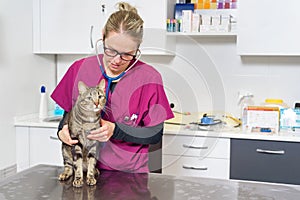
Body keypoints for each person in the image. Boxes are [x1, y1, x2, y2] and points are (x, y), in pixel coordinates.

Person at [51, 2, 174, 173]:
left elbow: (154, 134)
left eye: (127, 54)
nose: (117, 60)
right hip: (86, 170)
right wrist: (61, 132)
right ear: (102, 36)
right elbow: (67, 117)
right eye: (111, 50)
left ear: (138, 48)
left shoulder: (150, 78)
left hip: (130, 177)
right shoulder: (79, 69)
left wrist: (116, 130)